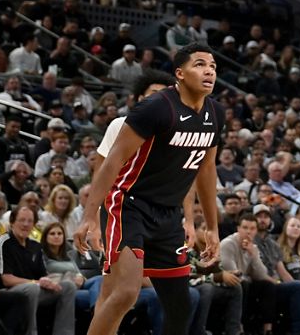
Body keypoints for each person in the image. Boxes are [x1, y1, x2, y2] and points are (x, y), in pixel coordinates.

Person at [74, 45, 226, 335]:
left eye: (214, 66)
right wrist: (90, 216)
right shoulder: (156, 107)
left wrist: (212, 228)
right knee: (126, 292)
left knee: (181, 305)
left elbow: (206, 170)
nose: (209, 70)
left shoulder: (215, 113)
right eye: (200, 64)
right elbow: (111, 162)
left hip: (167, 215)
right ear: (179, 74)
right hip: (129, 205)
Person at [0, 205, 77, 335]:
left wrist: (48, 281)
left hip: (34, 288)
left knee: (68, 286)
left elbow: (43, 276)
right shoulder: (3, 242)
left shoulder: (35, 245)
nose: (26, 224)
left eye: (30, 221)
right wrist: (36, 282)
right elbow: (6, 279)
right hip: (7, 291)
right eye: (22, 220)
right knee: (32, 288)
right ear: (12, 222)